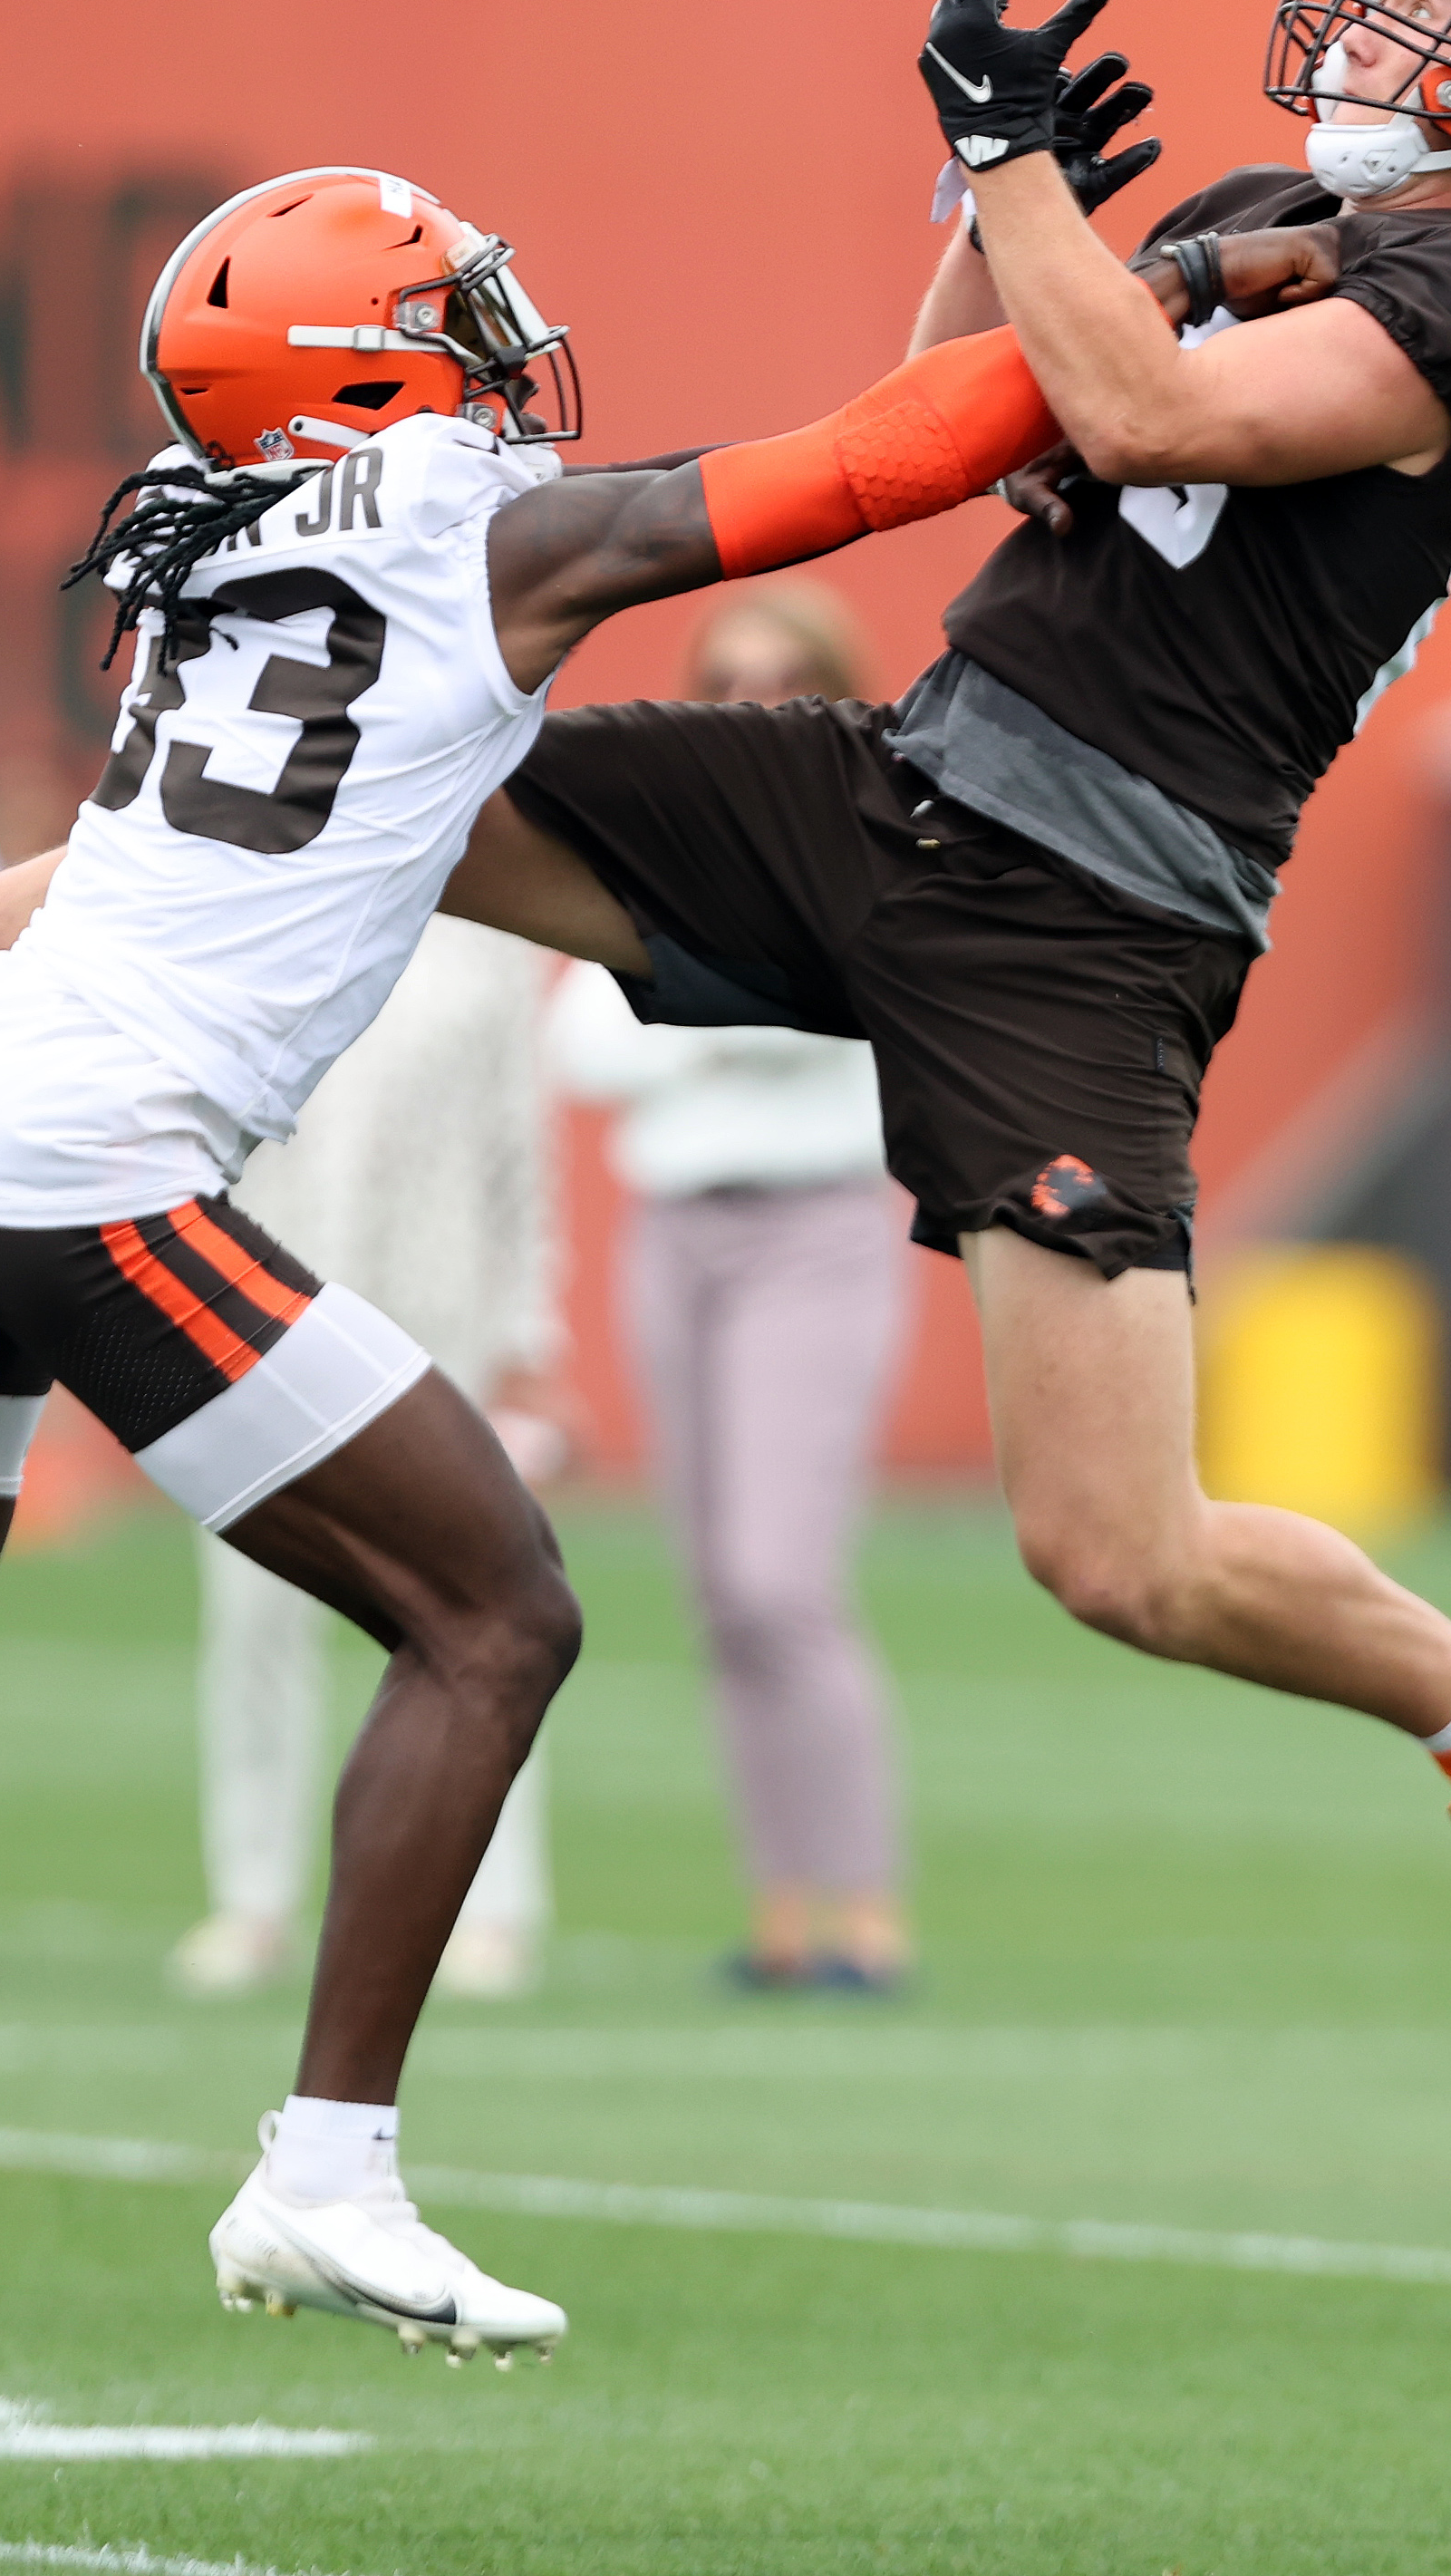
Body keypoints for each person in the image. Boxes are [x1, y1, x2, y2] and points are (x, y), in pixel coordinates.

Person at [0, 0, 1451, 2085]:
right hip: (904, 786)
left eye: (1429, 10)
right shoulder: (1306, 219)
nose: (1364, 37)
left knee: (1119, 1552)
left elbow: (1150, 425)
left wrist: (1027, 177)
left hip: (1090, 911)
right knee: (374, 773)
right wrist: (996, 209)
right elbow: (936, 410)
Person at [0, 161, 1091, 2468]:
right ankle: (327, 2169)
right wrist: (1143, 283)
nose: (502, 345)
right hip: (85, 1168)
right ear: (368, 369)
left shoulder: (223, 537)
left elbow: (124, 875)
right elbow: (884, 461)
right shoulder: (484, 539)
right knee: (497, 1614)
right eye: (452, 316)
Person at [548, 585, 914, 1991]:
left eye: (786, 676)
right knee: (719, 1593)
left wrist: (688, 1006)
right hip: (676, 1235)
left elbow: (856, 999)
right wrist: (733, 1010)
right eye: (733, 675)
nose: (757, 698)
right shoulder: (660, 835)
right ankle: (781, 1915)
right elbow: (585, 1044)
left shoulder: (877, 824)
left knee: (782, 1578)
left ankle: (866, 1915)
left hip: (812, 1229)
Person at [175, 913, 562, 2005]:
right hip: (260, 1305)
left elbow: (515, 1143)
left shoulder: (486, 939)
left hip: (437, 1315)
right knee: (252, 1613)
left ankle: (490, 1905)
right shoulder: (260, 910)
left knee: (476, 1608)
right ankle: (252, 1900)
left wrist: (530, 1327)